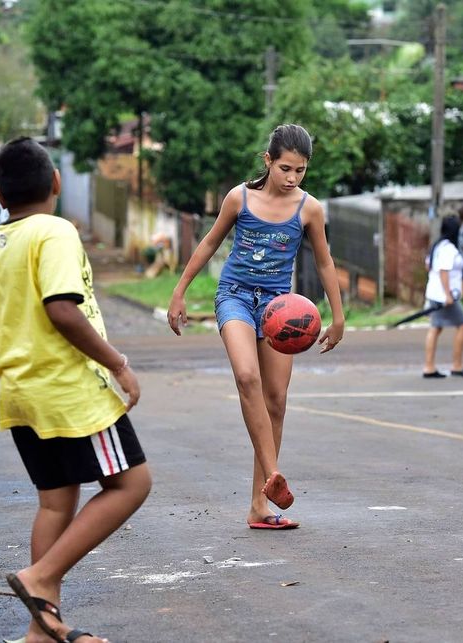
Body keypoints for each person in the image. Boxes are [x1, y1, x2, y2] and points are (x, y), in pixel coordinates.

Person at [0, 136, 151, 642]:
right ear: (56, 183)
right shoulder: (54, 231)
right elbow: (61, 308)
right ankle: (42, 577)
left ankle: (40, 632)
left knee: (56, 504)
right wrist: (118, 363)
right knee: (132, 485)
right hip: (70, 391)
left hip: (21, 392)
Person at [166, 124, 345, 530]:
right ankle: (273, 474)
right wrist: (179, 292)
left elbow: (325, 262)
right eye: (285, 168)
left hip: (280, 308)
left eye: (300, 171)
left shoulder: (310, 209)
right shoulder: (239, 197)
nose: (291, 178)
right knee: (247, 377)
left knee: (276, 400)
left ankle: (259, 506)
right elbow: (210, 242)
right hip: (235, 296)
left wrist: (338, 317)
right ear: (268, 161)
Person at [422, 214, 463, 379]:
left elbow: (428, 266)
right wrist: (447, 294)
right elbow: (444, 271)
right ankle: (456, 365)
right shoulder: (448, 249)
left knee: (436, 328)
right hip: (445, 296)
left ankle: (429, 367)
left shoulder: (437, 246)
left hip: (435, 293)